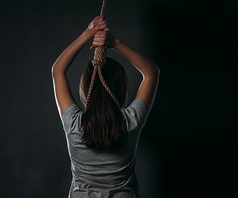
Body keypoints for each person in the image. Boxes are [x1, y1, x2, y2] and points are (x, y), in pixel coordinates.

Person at [52, 16, 160, 198]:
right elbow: (152, 72)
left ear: (86, 89)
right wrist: (114, 43)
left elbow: (57, 71)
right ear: (122, 90)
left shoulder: (74, 124)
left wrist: (87, 35)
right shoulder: (130, 121)